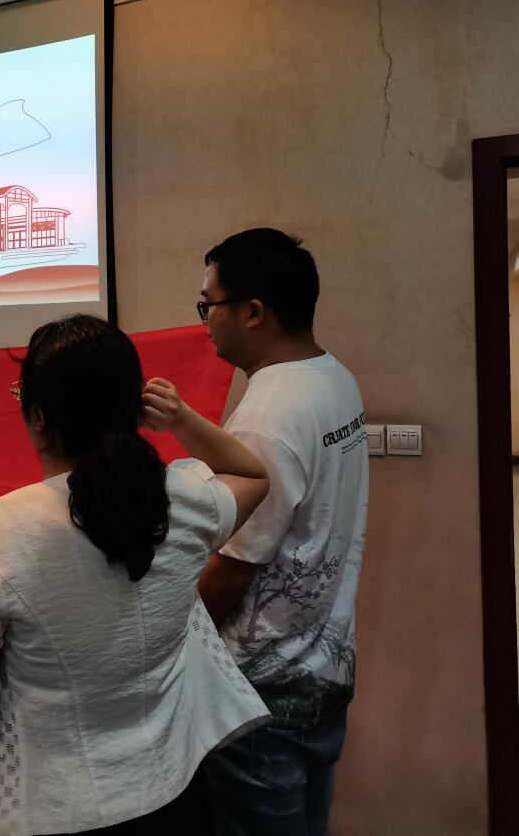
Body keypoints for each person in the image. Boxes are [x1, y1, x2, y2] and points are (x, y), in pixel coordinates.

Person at [0, 315, 271, 836]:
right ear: (136, 408)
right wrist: (181, 419)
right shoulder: (187, 500)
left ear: (37, 417)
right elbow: (252, 474)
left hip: (51, 814)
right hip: (174, 794)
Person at [194, 229, 368, 836]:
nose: (205, 322)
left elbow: (234, 566)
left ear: (252, 312)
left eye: (208, 305)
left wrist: (166, 636)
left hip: (260, 691)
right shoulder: (332, 376)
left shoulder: (268, 415)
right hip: (322, 668)